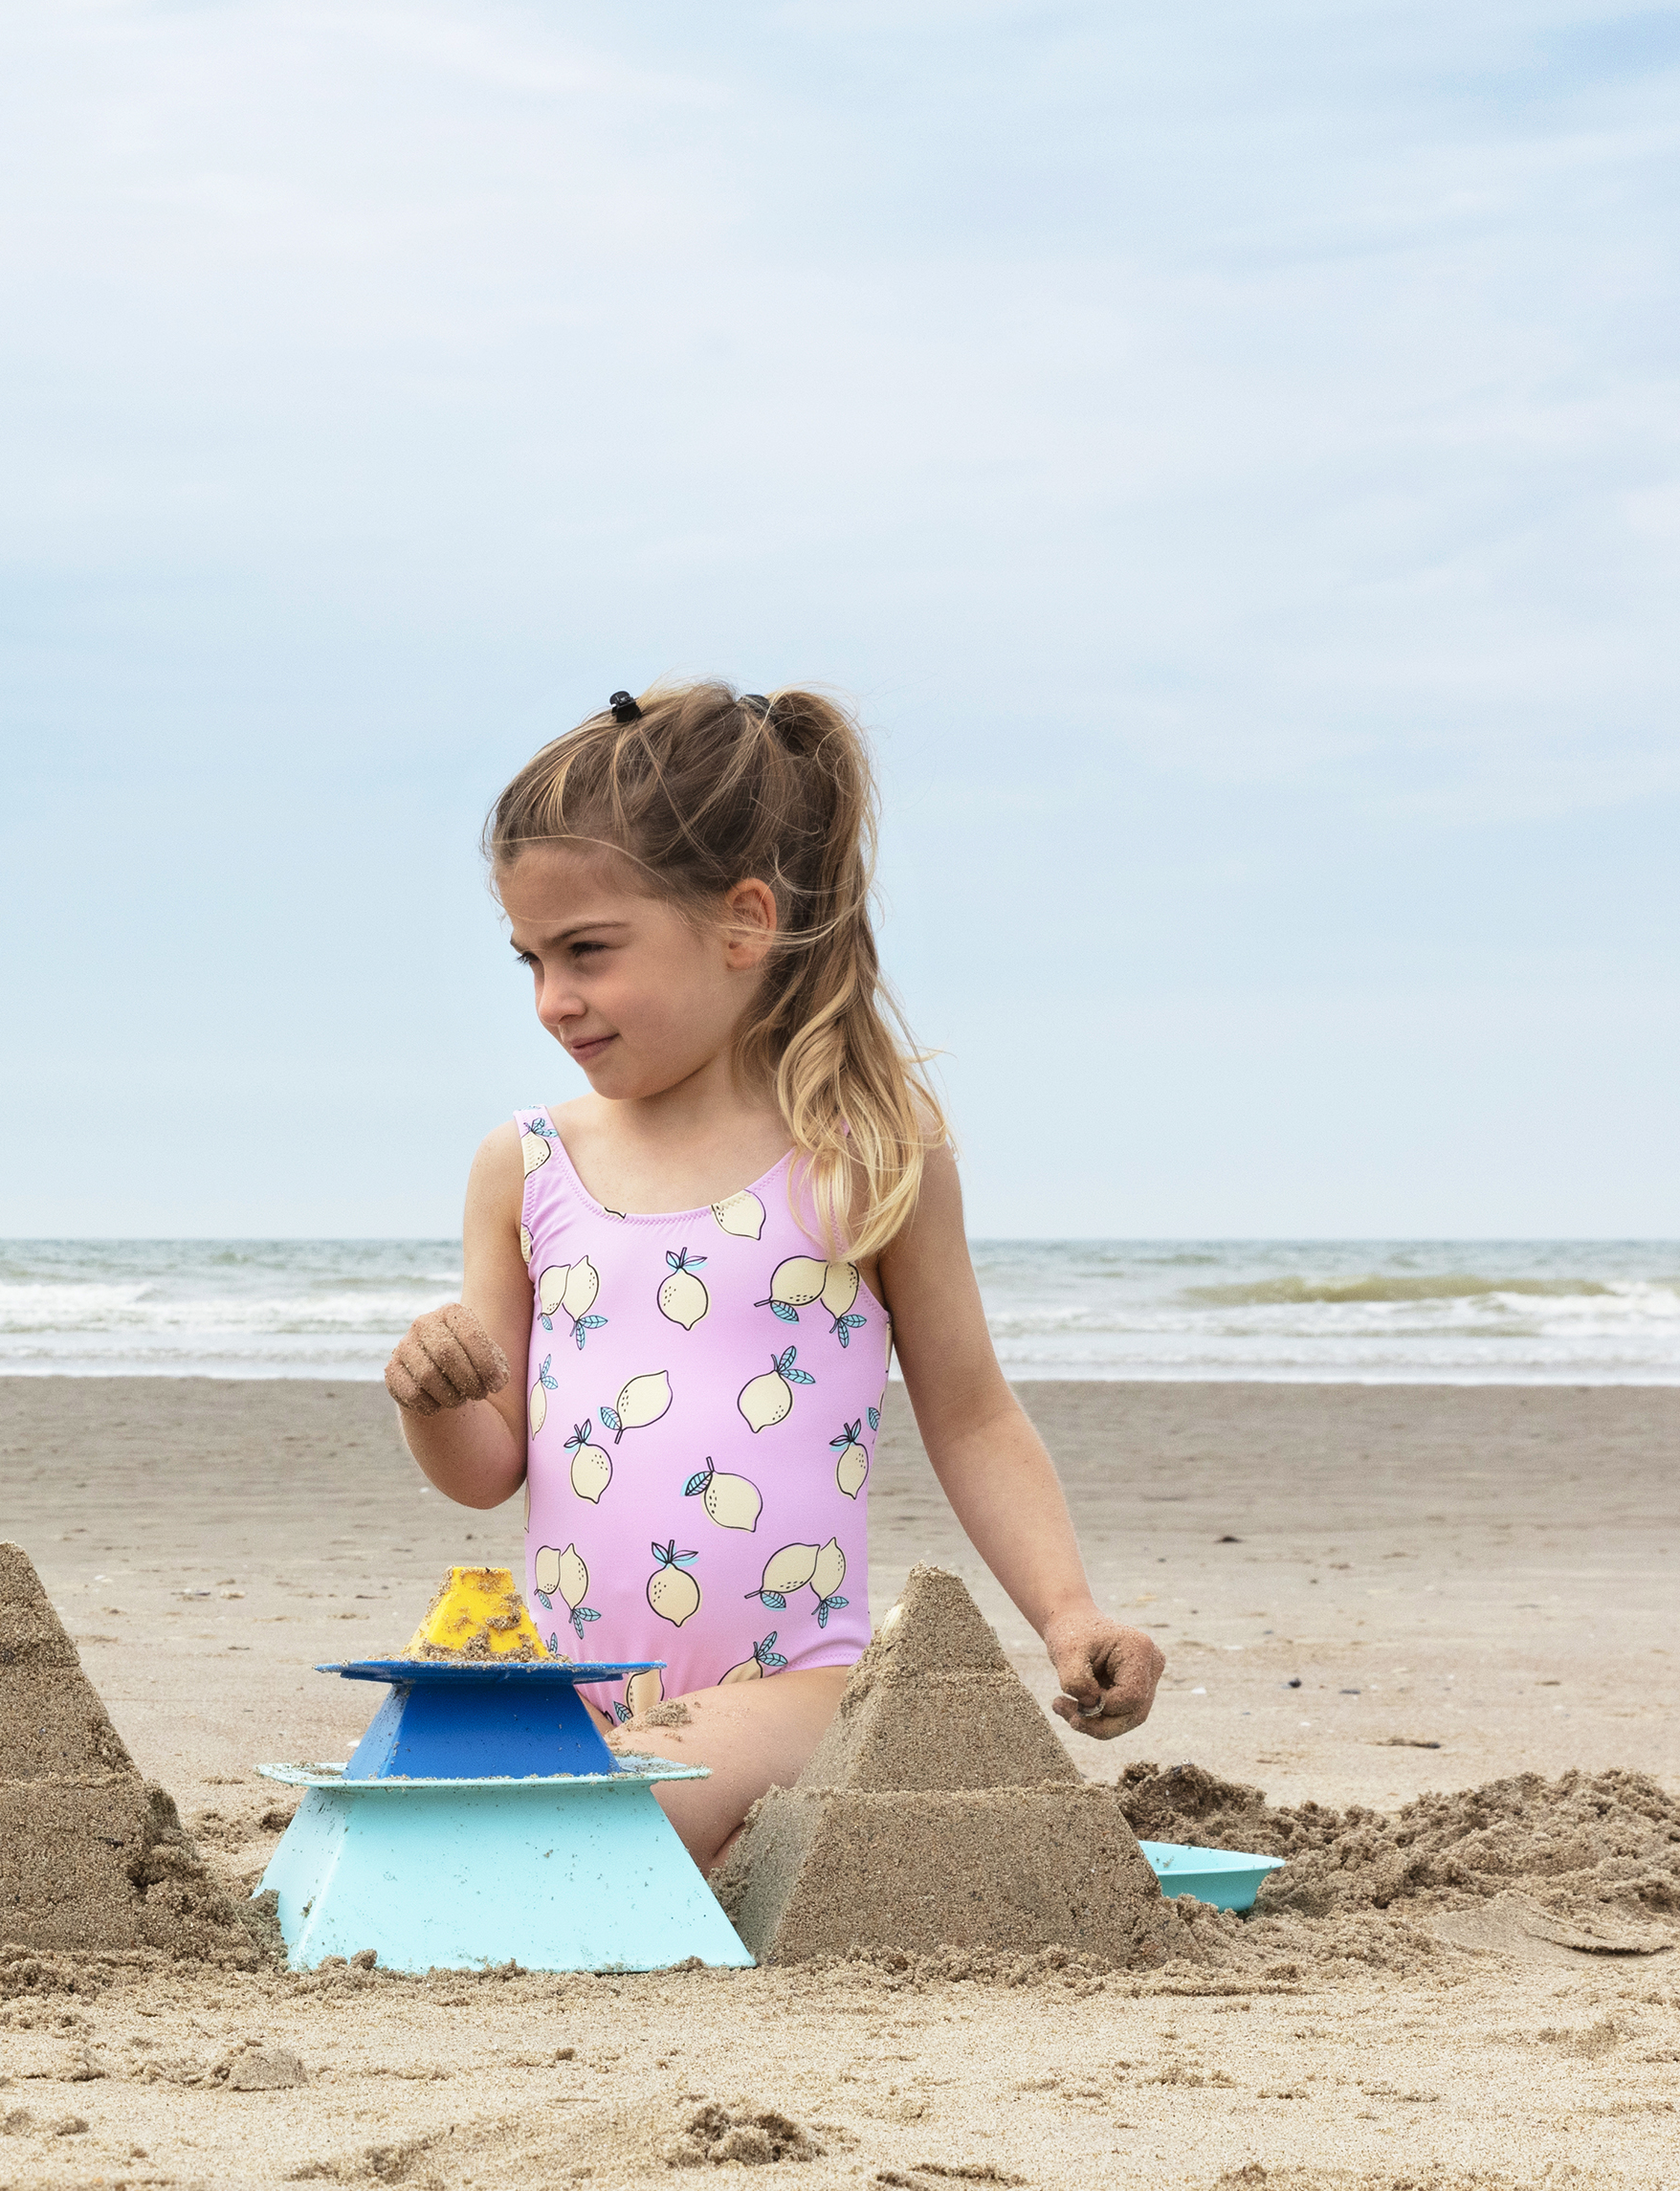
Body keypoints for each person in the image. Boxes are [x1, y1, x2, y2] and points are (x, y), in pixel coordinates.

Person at [385, 684, 1160, 1864]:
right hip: (559, 1682)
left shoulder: (867, 1158)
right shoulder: (525, 1166)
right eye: (530, 960)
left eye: (587, 951)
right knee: (423, 1821)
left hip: (791, 1686)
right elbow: (488, 1467)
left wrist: (1066, 1614)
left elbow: (969, 1413)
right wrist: (429, 1400)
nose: (553, 1001)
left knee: (591, 1822)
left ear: (742, 922)